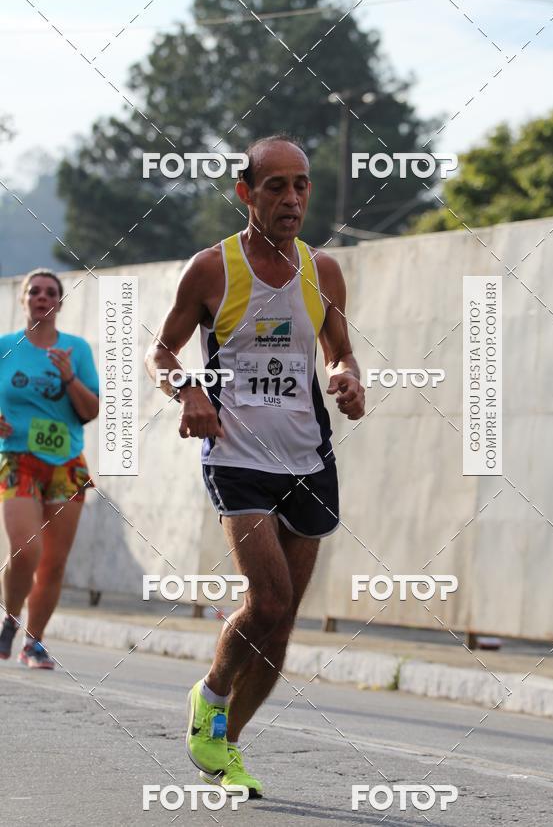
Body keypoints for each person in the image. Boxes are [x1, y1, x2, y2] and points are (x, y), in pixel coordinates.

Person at [145, 135, 365, 797]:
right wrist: (187, 392)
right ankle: (210, 695)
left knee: (285, 617)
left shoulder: (322, 271)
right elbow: (161, 352)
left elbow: (340, 350)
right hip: (236, 455)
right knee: (265, 598)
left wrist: (348, 377)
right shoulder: (211, 270)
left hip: (307, 456)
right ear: (245, 193)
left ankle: (226, 743)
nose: (292, 198)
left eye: (301, 185)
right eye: (275, 186)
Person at [0, 269, 99, 668]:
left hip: (66, 465)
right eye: (34, 292)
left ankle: (34, 643)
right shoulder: (6, 347)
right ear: (23, 300)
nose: (42, 297)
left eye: (50, 292)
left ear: (59, 302)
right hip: (17, 459)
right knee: (26, 549)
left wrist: (68, 376)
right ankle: (11, 616)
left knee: (53, 562)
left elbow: (90, 411)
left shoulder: (76, 349)